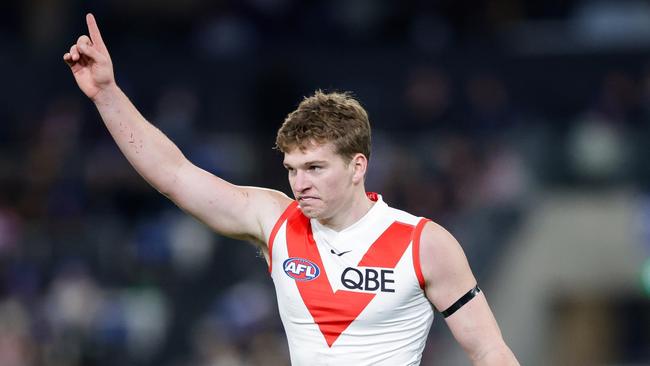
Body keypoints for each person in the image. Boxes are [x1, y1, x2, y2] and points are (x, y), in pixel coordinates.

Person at [63, 13, 519, 366]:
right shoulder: (275, 221)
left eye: (316, 167)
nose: (300, 183)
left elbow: (490, 352)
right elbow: (175, 175)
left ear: (358, 166)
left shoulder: (426, 245)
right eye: (292, 168)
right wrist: (107, 94)